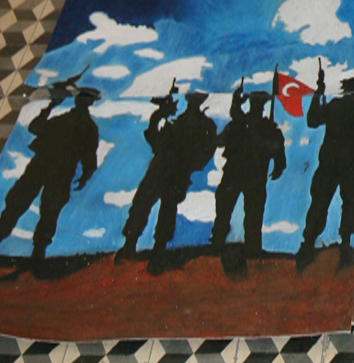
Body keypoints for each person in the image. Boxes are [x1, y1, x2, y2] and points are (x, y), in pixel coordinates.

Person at [115, 90, 218, 274]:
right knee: (142, 204)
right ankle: (130, 245)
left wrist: (188, 165)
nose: (192, 102)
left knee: (166, 212)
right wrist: (158, 116)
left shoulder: (205, 126)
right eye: (191, 99)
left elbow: (206, 151)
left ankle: (158, 252)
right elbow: (155, 142)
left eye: (195, 99)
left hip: (176, 173)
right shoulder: (175, 123)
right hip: (159, 169)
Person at [295, 69, 354, 271]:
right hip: (343, 165)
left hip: (337, 165)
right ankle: (337, 245)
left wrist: (319, 94)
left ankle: (316, 245)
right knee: (341, 204)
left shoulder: (339, 107)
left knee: (327, 203)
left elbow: (313, 119)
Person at [0, 89, 100, 259]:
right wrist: (49, 107)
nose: (81, 102)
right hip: (41, 166)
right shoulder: (65, 120)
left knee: (49, 212)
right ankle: (23, 245)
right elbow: (35, 127)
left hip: (60, 172)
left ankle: (38, 253)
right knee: (18, 203)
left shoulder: (88, 128)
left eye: (85, 99)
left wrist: (85, 175)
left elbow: (90, 157)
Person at [210, 89, 286, 270]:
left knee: (250, 216)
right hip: (240, 175)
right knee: (229, 212)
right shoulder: (244, 124)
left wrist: (277, 164)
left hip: (250, 177)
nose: (257, 107)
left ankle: (246, 251)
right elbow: (220, 141)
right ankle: (220, 246)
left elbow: (279, 155)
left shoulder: (255, 126)